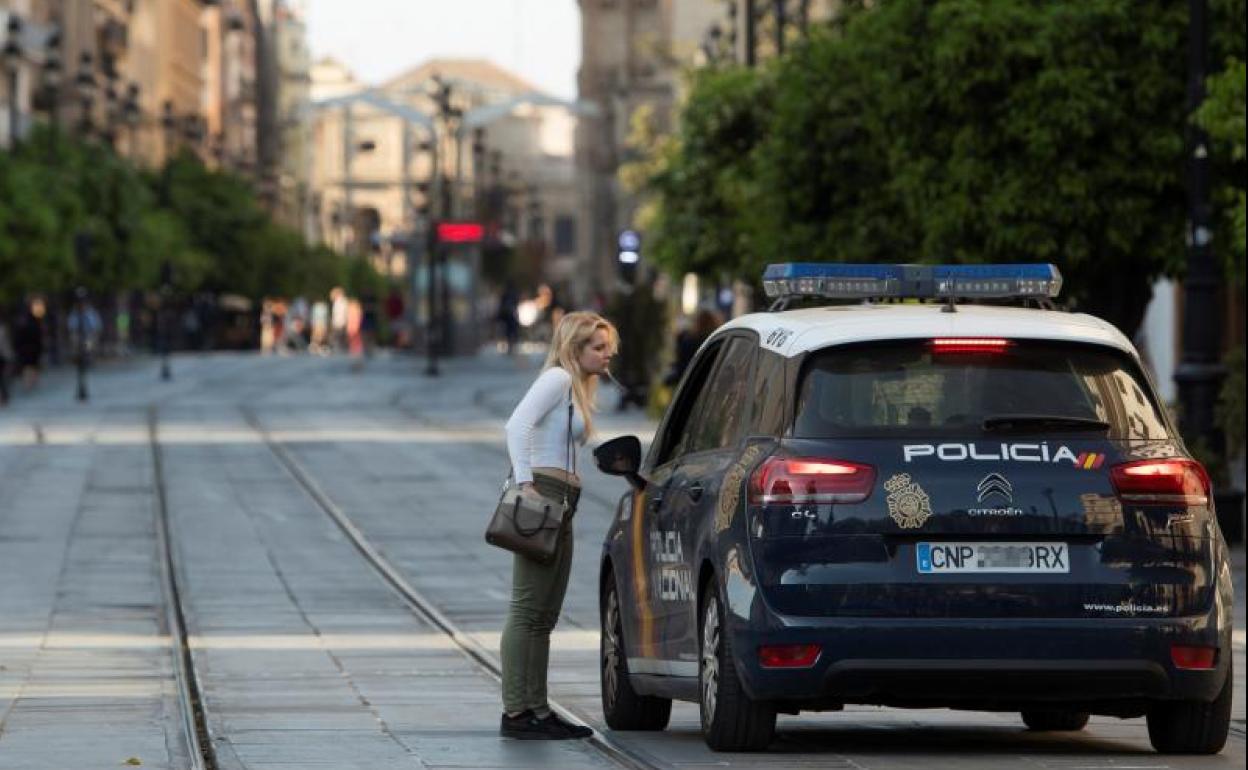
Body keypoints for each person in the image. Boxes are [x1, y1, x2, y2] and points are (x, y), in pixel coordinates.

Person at [499, 311, 618, 740]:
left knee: (545, 613)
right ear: (574, 348)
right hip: (545, 496)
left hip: (563, 501)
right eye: (598, 348)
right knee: (528, 608)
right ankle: (517, 711)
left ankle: (537, 707)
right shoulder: (557, 379)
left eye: (608, 348)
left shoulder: (576, 386)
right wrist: (526, 483)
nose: (607, 355)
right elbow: (516, 425)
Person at [14, 302, 44, 390]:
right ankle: (31, 382)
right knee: (32, 366)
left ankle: (28, 383)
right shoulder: (33, 322)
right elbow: (38, 335)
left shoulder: (20, 323)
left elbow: (17, 338)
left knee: (27, 366)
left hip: (24, 349)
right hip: (32, 348)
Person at [0, 316, 13, 406]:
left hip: (2, 356)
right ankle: (4, 396)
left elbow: (5, 344)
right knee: (3, 378)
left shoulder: (2, 330)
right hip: (2, 356)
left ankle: (4, 396)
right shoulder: (2, 330)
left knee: (2, 378)